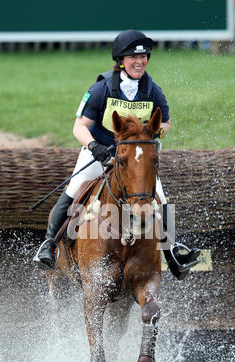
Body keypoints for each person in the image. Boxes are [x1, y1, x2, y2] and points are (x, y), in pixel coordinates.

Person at [34, 30, 200, 277]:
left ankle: (173, 251)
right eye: (133, 57)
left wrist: (151, 134)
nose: (139, 62)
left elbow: (165, 123)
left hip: (134, 159)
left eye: (144, 57)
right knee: (74, 188)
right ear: (121, 60)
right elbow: (78, 127)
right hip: (100, 152)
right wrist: (94, 147)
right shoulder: (101, 89)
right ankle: (49, 245)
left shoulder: (153, 90)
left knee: (161, 198)